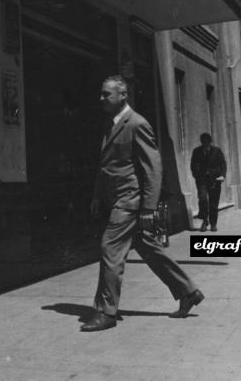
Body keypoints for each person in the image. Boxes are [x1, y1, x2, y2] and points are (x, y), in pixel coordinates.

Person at [82, 75, 204, 332]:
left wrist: (148, 208)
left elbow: (152, 168)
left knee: (110, 248)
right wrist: (96, 195)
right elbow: (106, 166)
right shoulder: (111, 124)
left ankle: (106, 312)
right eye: (101, 94)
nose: (101, 98)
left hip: (129, 201)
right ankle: (188, 292)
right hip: (115, 199)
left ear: (123, 95)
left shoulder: (137, 124)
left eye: (107, 94)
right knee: (148, 248)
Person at [190, 133, 227, 232]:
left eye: (207, 142)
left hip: (215, 180)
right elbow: (193, 165)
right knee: (203, 200)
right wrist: (196, 175)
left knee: (213, 203)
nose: (205, 144)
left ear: (210, 142)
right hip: (202, 180)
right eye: (203, 142)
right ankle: (205, 221)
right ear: (201, 142)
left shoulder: (217, 151)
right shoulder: (196, 151)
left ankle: (213, 224)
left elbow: (223, 163)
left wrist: (222, 176)